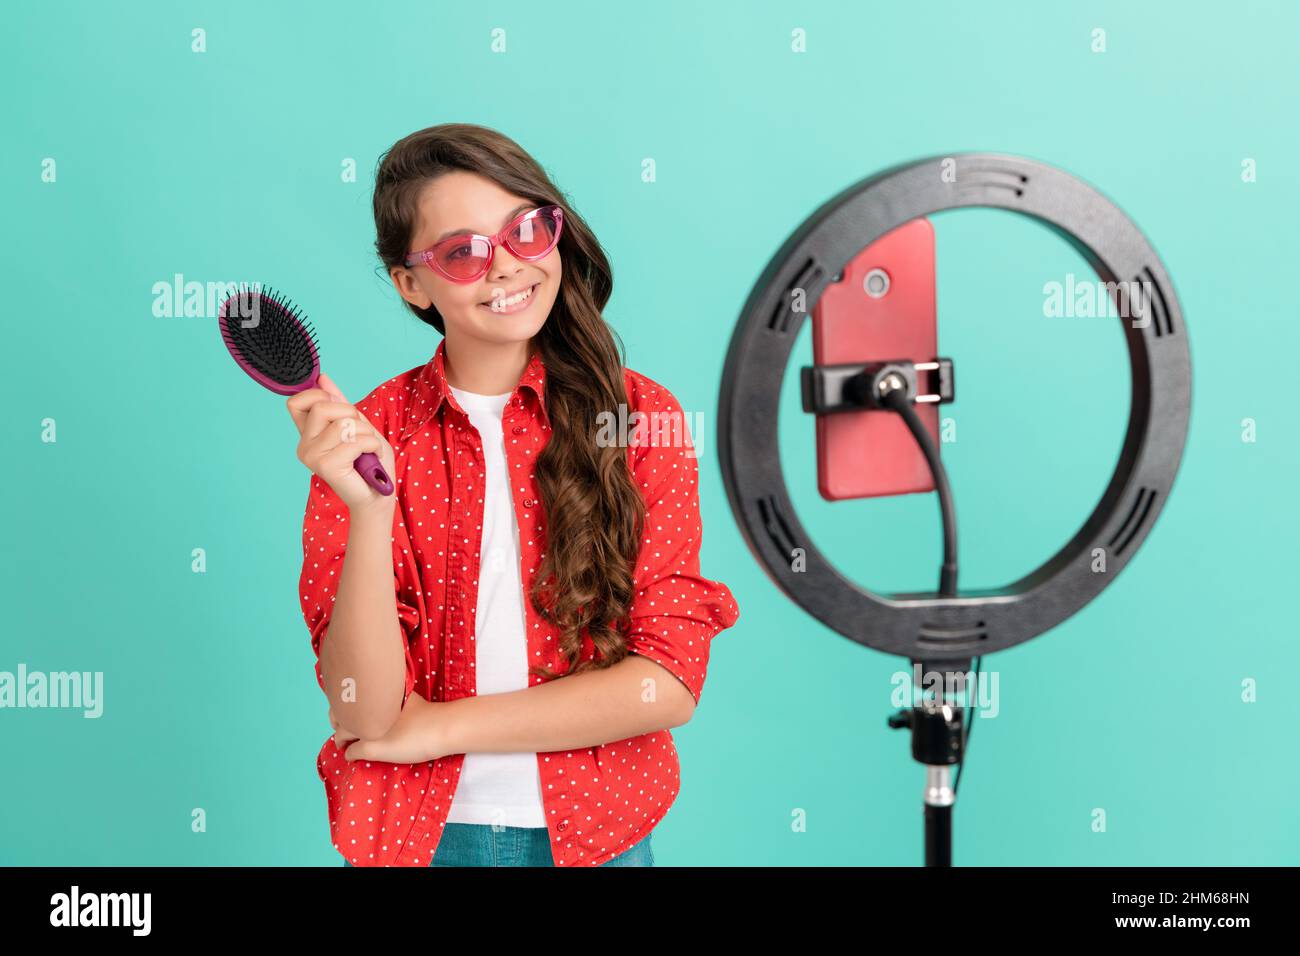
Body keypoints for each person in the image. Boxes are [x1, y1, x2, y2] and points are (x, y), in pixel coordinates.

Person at [287, 123, 741, 867]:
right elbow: (362, 712)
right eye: (462, 251)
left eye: (526, 230)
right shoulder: (373, 438)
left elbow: (666, 686)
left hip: (599, 834)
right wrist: (370, 509)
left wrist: (438, 727)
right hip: (423, 835)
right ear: (410, 283)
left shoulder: (640, 420)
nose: (505, 267)